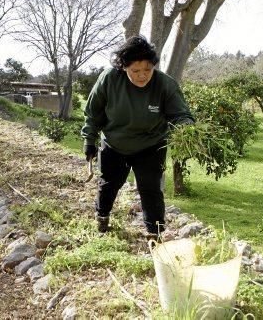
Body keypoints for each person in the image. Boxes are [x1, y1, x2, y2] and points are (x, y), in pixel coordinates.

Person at [82, 35, 194, 237]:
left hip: (151, 145)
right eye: (136, 71)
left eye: (148, 70)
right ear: (123, 67)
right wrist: (89, 140)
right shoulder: (109, 79)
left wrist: (187, 129)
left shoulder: (165, 85)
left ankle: (155, 233)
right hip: (115, 144)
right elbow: (93, 112)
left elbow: (181, 115)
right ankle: (102, 216)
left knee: (151, 190)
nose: (142, 75)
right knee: (108, 184)